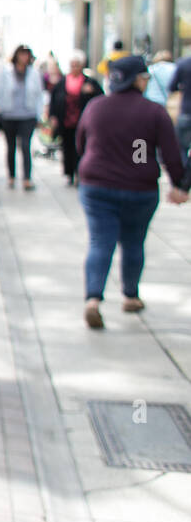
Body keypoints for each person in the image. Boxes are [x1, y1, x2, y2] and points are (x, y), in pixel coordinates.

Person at [75, 55, 189, 329]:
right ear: (137, 79)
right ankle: (129, 295)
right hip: (140, 189)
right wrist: (179, 185)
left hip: (97, 186)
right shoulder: (153, 111)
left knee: (100, 242)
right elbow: (171, 154)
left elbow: (80, 142)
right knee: (134, 243)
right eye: (145, 77)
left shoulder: (95, 107)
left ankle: (93, 299)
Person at [0, 45, 45, 190]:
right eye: (21, 54)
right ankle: (11, 176)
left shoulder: (34, 73)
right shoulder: (6, 72)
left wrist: (39, 115)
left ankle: (27, 178)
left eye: (26, 55)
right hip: (9, 114)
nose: (23, 58)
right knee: (10, 147)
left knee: (25, 146)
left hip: (27, 115)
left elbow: (39, 95)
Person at [48, 50, 102, 186]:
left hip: (82, 121)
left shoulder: (89, 82)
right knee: (67, 148)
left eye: (77, 65)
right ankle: (69, 173)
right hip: (66, 121)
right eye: (72, 65)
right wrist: (52, 117)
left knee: (82, 148)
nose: (74, 68)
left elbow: (100, 98)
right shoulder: (62, 83)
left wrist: (92, 92)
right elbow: (54, 100)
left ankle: (80, 173)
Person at [168, 50, 191, 163]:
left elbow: (172, 86)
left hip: (186, 110)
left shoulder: (183, 64)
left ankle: (185, 177)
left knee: (183, 148)